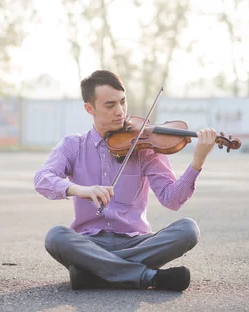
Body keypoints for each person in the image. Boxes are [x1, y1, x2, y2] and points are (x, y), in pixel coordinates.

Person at [33, 70, 218, 291]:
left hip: (137, 242)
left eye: (123, 102)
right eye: (110, 105)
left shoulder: (144, 146)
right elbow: (42, 179)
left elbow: (172, 200)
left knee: (188, 229)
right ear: (89, 108)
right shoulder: (74, 145)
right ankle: (148, 277)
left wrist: (198, 161)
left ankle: (97, 273)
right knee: (56, 237)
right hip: (90, 243)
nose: (120, 112)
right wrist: (79, 190)